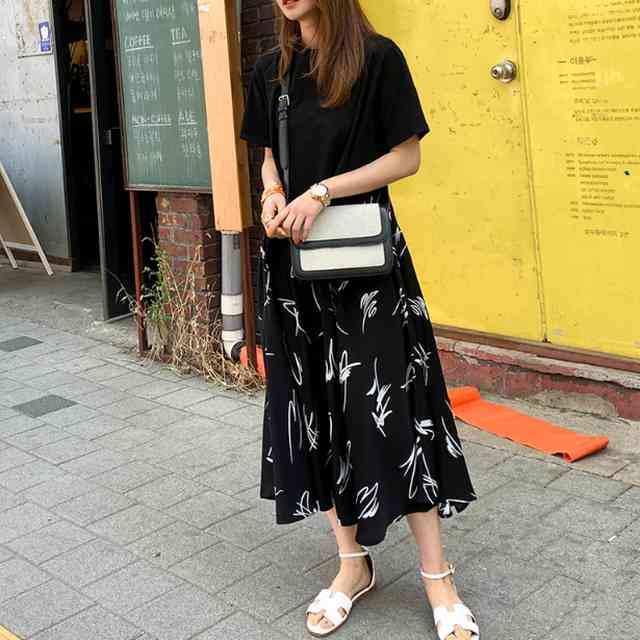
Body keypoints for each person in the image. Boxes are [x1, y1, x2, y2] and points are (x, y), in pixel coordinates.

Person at [239, 1, 479, 638]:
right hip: (295, 265)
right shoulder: (271, 68)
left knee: (396, 408)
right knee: (314, 411)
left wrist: (323, 191)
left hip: (367, 267)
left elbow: (406, 157)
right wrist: (272, 193)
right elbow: (268, 156)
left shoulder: (376, 57)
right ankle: (352, 564)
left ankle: (438, 577)